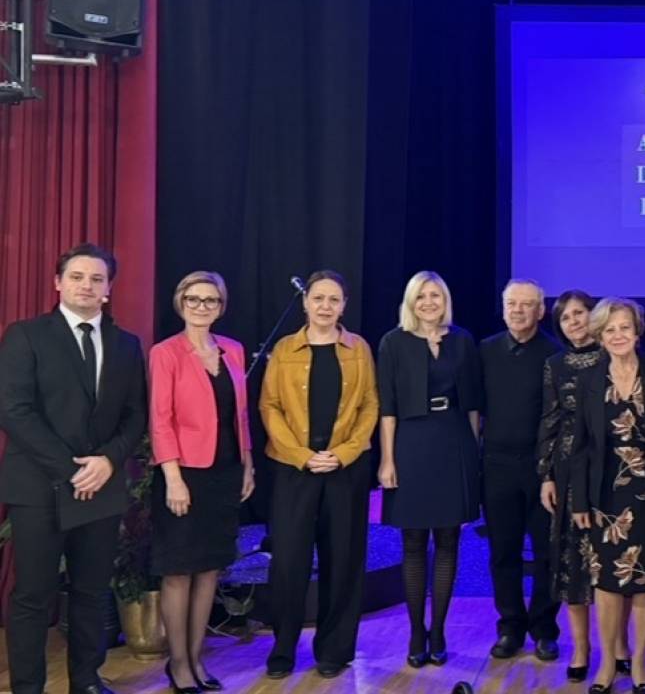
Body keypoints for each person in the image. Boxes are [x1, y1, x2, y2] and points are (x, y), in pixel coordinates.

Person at [0, 243, 147, 694]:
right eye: (77, 277)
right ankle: (28, 687)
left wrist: (108, 461)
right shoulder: (25, 335)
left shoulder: (126, 345)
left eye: (97, 279)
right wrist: (72, 469)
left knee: (91, 591)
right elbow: (14, 411)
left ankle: (85, 680)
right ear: (58, 283)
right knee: (33, 595)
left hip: (102, 485)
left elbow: (135, 416)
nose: (87, 285)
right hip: (39, 487)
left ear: (108, 289)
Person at [259, 269, 379, 679]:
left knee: (342, 560)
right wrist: (301, 455)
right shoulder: (284, 349)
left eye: (334, 299)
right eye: (318, 298)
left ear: (344, 306)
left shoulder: (359, 349)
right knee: (288, 562)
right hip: (294, 469)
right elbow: (269, 406)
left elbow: (370, 405)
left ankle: (334, 650)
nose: (325, 306)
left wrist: (343, 453)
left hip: (345, 470)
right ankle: (283, 650)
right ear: (306, 302)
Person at [148, 271, 256, 693]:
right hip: (183, 474)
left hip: (224, 472)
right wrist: (173, 478)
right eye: (193, 299)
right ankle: (177, 664)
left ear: (221, 307)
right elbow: (160, 420)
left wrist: (247, 465)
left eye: (210, 300)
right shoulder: (165, 353)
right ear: (181, 303)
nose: (201, 307)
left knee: (210, 569)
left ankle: (196, 659)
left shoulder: (233, 350)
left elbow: (239, 416)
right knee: (179, 571)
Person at [377, 271, 482, 667]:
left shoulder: (462, 340)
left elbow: (473, 405)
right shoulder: (393, 342)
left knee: (449, 540)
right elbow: (387, 408)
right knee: (414, 543)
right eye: (421, 296)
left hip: (454, 441)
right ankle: (415, 632)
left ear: (445, 300)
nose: (428, 302)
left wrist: (472, 455)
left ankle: (438, 630)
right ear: (411, 301)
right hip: (411, 444)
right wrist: (387, 460)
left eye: (435, 295)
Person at [570, 297, 645, 694]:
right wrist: (579, 501)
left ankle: (639, 660)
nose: (617, 335)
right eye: (609, 329)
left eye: (625, 327)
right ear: (599, 336)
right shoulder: (589, 380)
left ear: (637, 331)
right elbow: (580, 447)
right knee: (608, 581)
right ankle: (608, 662)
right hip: (605, 496)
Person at [538, 290, 634, 682]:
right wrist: (546, 475)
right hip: (568, 473)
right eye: (565, 317)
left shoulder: (614, 353)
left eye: (579, 313)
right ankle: (581, 647)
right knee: (573, 566)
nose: (574, 322)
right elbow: (549, 420)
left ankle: (620, 645)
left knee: (616, 561)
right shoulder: (555, 364)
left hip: (613, 468)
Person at [479, 278, 562, 660]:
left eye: (526, 304)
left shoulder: (554, 354)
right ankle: (510, 627)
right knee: (503, 552)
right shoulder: (485, 351)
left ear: (540, 311)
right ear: (503, 308)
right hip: (496, 465)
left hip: (542, 470)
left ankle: (544, 628)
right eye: (512, 303)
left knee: (547, 553)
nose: (518, 310)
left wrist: (551, 472)